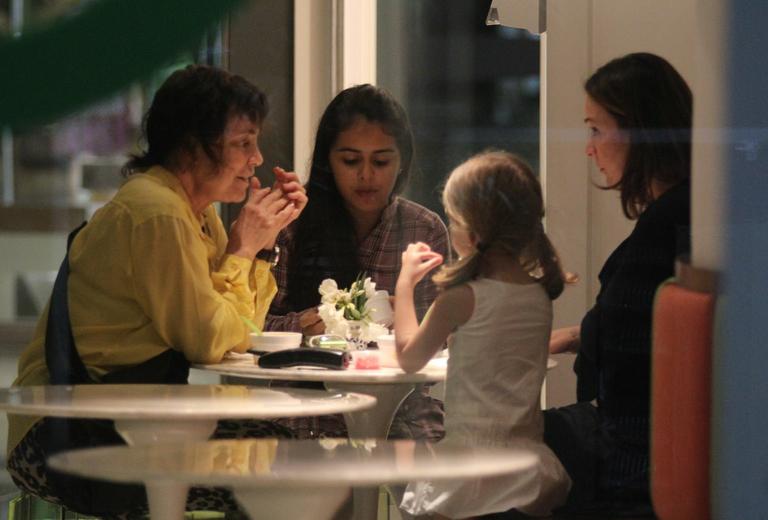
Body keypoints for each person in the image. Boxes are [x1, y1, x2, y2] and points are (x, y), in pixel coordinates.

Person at [6, 64, 307, 517]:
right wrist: (245, 246)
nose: (258, 159)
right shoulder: (158, 212)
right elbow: (208, 339)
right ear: (191, 148)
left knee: (283, 454)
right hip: (69, 429)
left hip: (126, 413)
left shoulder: (195, 213)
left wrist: (262, 249)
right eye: (244, 143)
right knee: (283, 461)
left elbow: (241, 328)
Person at [545, 52, 692, 514]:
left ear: (638, 131)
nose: (589, 148)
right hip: (638, 451)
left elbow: (626, 350)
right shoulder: (681, 214)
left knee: (483, 456)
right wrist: (570, 335)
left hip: (630, 465)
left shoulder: (667, 224)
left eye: (595, 129)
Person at [265, 84, 450, 441]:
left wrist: (405, 318)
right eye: (350, 161)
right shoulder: (292, 225)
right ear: (327, 162)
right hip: (302, 406)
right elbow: (249, 328)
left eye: (381, 161)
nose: (366, 175)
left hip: (401, 410)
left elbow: (441, 347)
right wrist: (301, 324)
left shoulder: (423, 229)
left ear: (402, 162)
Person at [394, 151, 572, 519]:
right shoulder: (539, 294)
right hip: (525, 467)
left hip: (469, 469)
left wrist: (405, 284)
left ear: (472, 233)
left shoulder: (462, 298)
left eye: (452, 219)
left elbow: (409, 358)